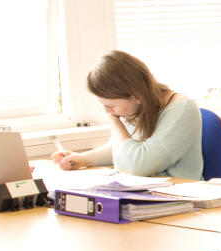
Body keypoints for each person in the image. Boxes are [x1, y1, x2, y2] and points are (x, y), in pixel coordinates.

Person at [51, 51, 203, 180]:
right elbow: (121, 151)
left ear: (136, 96)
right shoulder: (138, 107)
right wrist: (82, 159)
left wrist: (114, 121)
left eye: (111, 106)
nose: (108, 112)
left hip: (181, 203)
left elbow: (138, 165)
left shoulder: (183, 109)